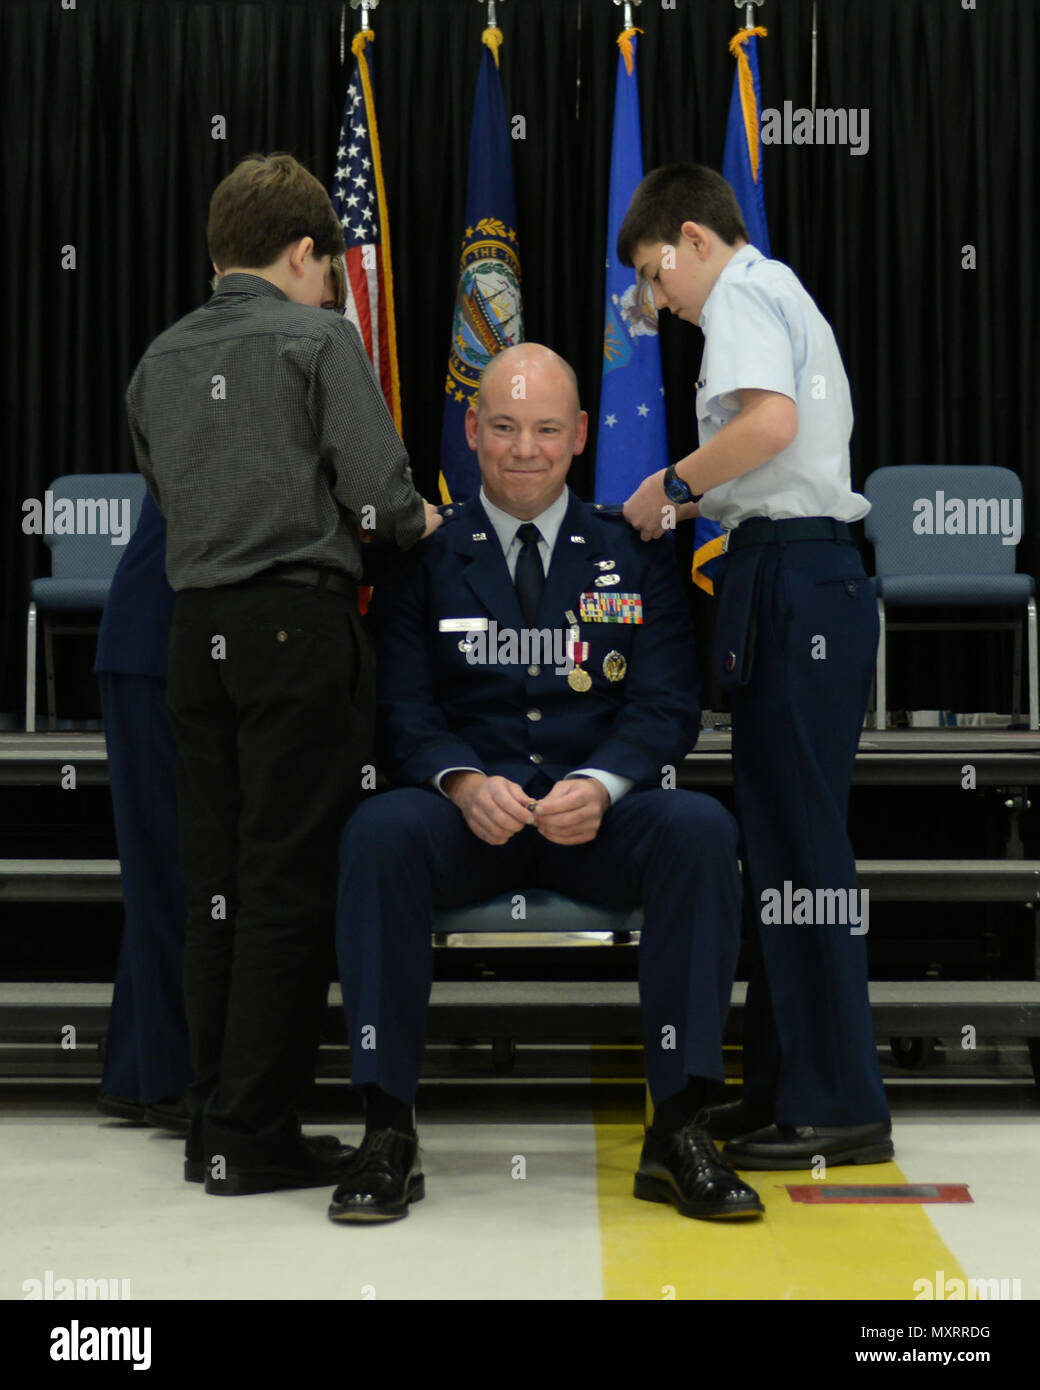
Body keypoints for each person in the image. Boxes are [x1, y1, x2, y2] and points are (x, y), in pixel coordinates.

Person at [329, 342, 763, 1224]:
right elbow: (403, 704)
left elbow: (667, 701)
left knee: (701, 833)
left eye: (544, 430)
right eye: (503, 427)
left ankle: (679, 1127)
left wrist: (604, 784)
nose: (523, 448)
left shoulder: (634, 547)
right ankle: (386, 1129)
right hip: (468, 821)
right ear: (471, 432)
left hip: (595, 820)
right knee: (377, 835)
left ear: (579, 438)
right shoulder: (424, 552)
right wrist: (458, 781)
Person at [125, 151, 442, 1196]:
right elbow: (379, 494)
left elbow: (166, 486)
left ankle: (214, 1123)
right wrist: (414, 519)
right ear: (304, 251)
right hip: (293, 634)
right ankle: (256, 1130)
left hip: (195, 632)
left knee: (212, 881)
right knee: (285, 885)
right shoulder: (317, 339)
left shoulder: (158, 358)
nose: (328, 286)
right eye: (326, 267)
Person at [619, 163, 891, 1170]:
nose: (656, 300)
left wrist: (672, 481)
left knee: (803, 853)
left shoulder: (737, 290)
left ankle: (836, 1100)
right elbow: (778, 442)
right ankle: (784, 1085)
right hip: (794, 572)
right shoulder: (769, 291)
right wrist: (696, 504)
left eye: (654, 274)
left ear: (693, 238)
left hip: (790, 574)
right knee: (781, 846)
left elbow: (768, 426)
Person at [94, 255, 352, 1136]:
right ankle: (175, 1082)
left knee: (198, 875)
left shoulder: (209, 348)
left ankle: (164, 1074)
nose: (330, 304)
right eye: (328, 282)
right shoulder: (294, 348)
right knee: (188, 874)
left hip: (173, 633)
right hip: (168, 635)